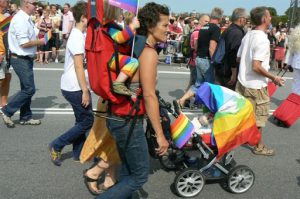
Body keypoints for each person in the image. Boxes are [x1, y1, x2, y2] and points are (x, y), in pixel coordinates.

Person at [96, 2, 170, 199]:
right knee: (139, 177)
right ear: (151, 25)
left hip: (116, 117)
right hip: (128, 120)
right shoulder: (149, 53)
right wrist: (160, 134)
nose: (168, 28)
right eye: (165, 24)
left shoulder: (134, 46)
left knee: (128, 171)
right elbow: (149, 95)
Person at [48, 1, 94, 166]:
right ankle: (57, 144)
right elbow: (78, 65)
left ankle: (79, 152)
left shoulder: (81, 35)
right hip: (74, 87)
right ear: (83, 18)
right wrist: (85, 91)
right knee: (88, 121)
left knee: (81, 120)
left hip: (75, 85)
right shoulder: (76, 36)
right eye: (91, 17)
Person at [235, 7, 285, 156]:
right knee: (259, 118)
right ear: (264, 19)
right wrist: (274, 78)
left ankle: (245, 138)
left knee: (244, 114)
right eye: (269, 17)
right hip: (256, 85)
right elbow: (256, 66)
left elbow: (238, 58)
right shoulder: (262, 38)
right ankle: (259, 146)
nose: (270, 19)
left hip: (242, 82)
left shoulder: (248, 35)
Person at [1, 0, 44, 128]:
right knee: (29, 89)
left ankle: (25, 117)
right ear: (26, 4)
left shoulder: (26, 18)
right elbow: (24, 43)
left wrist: (40, 30)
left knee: (26, 88)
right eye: (34, 4)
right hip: (20, 58)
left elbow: (30, 35)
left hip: (25, 58)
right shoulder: (20, 19)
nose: (36, 6)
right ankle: (7, 111)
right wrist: (42, 41)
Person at [176, 8, 223, 108]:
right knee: (210, 85)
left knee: (198, 84)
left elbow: (197, 45)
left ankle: (182, 100)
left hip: (198, 58)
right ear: (220, 18)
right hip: (206, 59)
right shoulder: (215, 28)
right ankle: (206, 106)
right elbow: (212, 47)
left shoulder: (203, 27)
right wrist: (214, 61)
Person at [104, 5, 140, 96]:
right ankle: (118, 83)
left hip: (109, 56)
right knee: (133, 62)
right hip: (111, 58)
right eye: (119, 10)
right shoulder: (110, 26)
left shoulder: (107, 24)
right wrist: (132, 26)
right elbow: (120, 38)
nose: (121, 12)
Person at [215, 8, 247, 90]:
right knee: (230, 99)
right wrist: (234, 73)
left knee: (220, 98)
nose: (246, 21)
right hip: (228, 71)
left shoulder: (229, 29)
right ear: (241, 19)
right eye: (245, 19)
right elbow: (233, 53)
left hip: (221, 67)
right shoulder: (237, 32)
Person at [0, 0, 11, 112]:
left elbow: (6, 37)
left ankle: (3, 104)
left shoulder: (4, 17)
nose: (7, 1)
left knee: (7, 78)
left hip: (4, 54)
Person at [286, 25, 300, 95]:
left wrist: (288, 63)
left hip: (296, 64)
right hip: (296, 64)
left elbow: (291, 53)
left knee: (296, 82)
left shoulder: (295, 41)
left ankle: (294, 100)